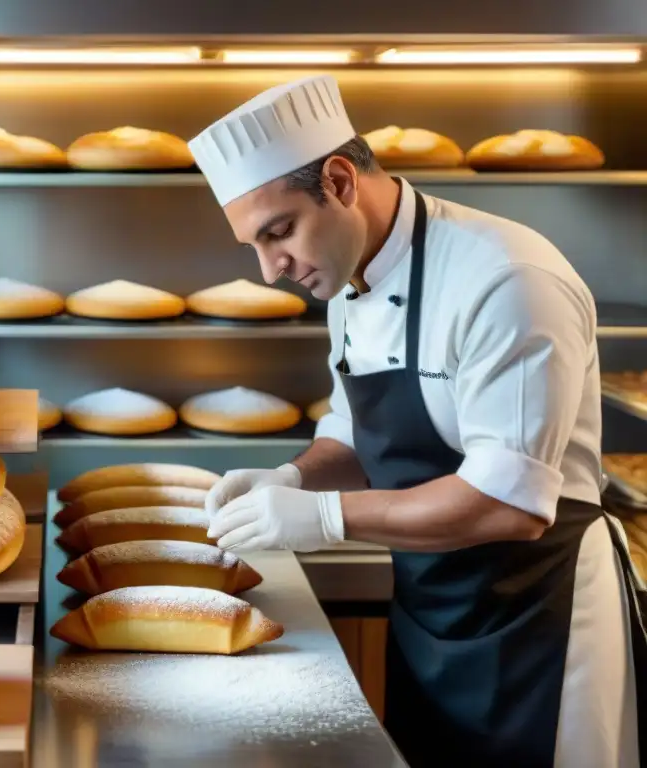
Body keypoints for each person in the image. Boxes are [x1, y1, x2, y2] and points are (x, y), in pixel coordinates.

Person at [188, 74, 646, 767]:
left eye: (278, 233)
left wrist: (327, 519)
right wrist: (292, 477)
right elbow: (356, 431)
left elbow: (509, 505)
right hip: (433, 612)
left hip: (540, 621)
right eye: (253, 244)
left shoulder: (505, 279)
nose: (270, 269)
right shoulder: (348, 280)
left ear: (340, 181)